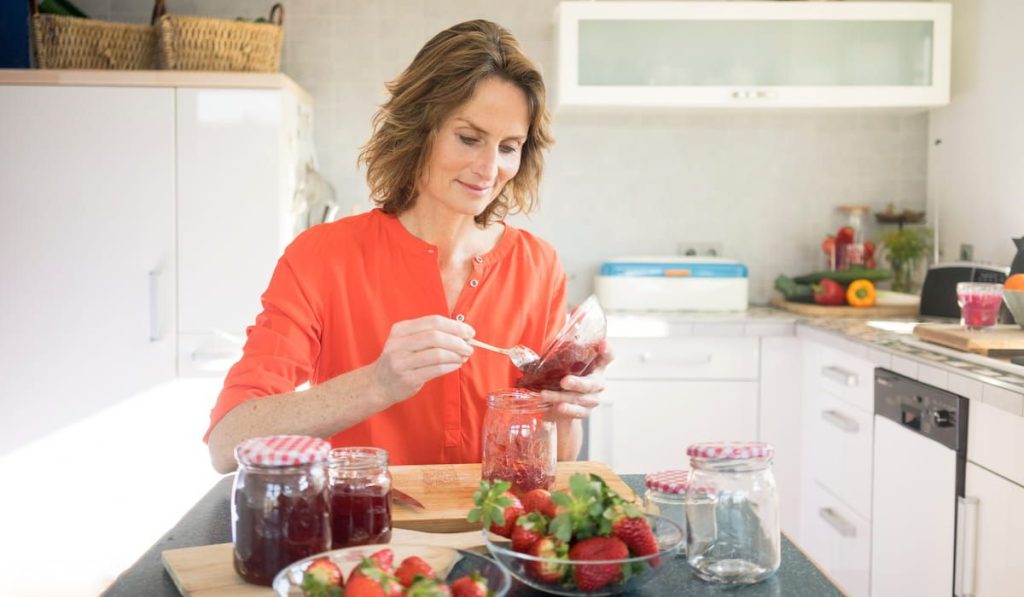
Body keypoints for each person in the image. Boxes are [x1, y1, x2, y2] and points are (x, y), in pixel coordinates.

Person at [206, 19, 611, 474]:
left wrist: (561, 412)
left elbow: (558, 460)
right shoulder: (321, 257)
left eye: (509, 147)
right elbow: (228, 441)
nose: (488, 168)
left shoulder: (538, 265)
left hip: (496, 537)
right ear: (420, 130)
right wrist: (377, 384)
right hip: (363, 533)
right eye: (469, 138)